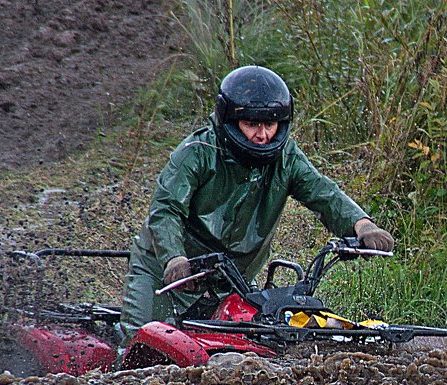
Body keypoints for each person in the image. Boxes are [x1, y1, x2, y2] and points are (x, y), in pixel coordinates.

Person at [118, 65, 394, 342]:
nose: (262, 135)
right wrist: (173, 258)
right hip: (165, 276)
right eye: (252, 124)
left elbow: (323, 192)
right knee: (140, 344)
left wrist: (362, 224)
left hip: (232, 282)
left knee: (262, 348)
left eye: (270, 125)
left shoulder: (286, 157)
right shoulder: (197, 153)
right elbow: (166, 210)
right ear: (229, 121)